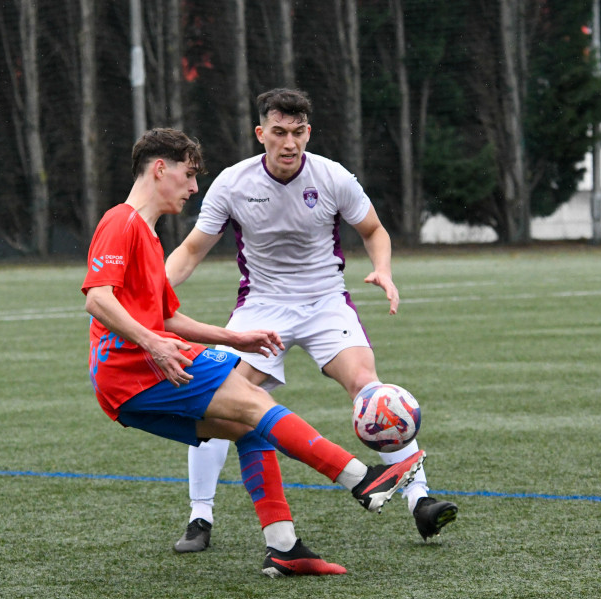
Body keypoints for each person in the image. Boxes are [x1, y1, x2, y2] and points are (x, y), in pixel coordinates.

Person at [82, 127, 425, 577]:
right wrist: (151, 344)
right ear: (160, 169)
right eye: (187, 175)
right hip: (135, 367)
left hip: (123, 388)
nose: (193, 187)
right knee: (257, 402)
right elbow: (97, 298)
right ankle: (363, 478)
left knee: (247, 426)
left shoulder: (147, 236)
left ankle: (284, 547)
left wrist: (235, 339)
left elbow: (166, 319)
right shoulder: (121, 221)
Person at [165, 89, 457, 554]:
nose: (289, 143)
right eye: (278, 132)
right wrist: (155, 290)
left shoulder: (332, 176)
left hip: (325, 303)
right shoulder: (232, 183)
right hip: (262, 307)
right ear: (260, 134)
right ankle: (201, 515)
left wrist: (382, 268)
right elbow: (193, 249)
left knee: (371, 390)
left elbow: (374, 230)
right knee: (218, 401)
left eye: (298, 132)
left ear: (308, 133)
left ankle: (421, 502)